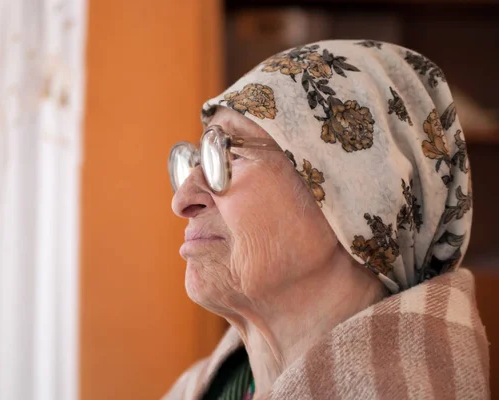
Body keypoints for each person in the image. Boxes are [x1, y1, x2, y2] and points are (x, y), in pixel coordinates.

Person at [163, 40, 489, 400]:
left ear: (354, 195)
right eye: (196, 159)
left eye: (227, 153)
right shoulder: (202, 389)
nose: (183, 201)